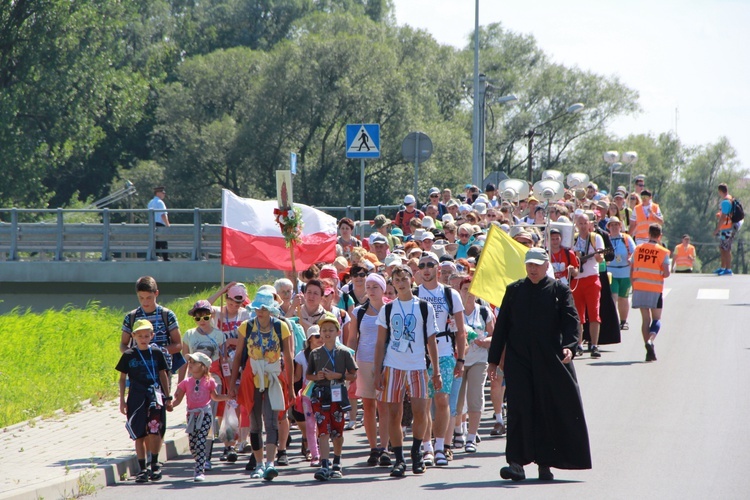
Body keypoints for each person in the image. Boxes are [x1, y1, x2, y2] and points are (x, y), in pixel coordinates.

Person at [488, 247, 591, 481]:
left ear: (547, 266)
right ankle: (516, 463)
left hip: (550, 361)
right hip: (519, 361)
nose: (533, 269)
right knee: (519, 410)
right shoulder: (514, 291)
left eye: (537, 265)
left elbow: (571, 321)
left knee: (548, 409)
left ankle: (546, 463)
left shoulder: (559, 290)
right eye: (529, 265)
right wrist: (493, 361)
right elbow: (502, 327)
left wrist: (570, 346)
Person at [373, 265, 441, 478]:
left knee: (421, 412)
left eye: (404, 278)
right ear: (392, 283)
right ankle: (400, 459)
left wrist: (436, 371)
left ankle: (416, 452)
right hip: (393, 366)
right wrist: (377, 371)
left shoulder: (423, 307)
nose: (401, 282)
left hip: (418, 366)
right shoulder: (388, 309)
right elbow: (380, 342)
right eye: (397, 279)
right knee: (394, 414)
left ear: (412, 279)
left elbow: (431, 340)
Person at [119, 276, 182, 473]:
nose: (145, 302)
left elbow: (178, 344)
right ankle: (145, 460)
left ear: (156, 294)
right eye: (141, 298)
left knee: (157, 417)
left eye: (148, 297)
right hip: (137, 374)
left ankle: (155, 458)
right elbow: (123, 343)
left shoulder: (166, 315)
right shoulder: (131, 317)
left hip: (160, 373)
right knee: (139, 418)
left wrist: (157, 352)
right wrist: (134, 354)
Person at [229, 290, 294, 481]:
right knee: (255, 423)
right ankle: (258, 464)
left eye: (264, 309)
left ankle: (271, 463)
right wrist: (233, 384)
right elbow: (238, 357)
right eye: (257, 308)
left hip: (274, 376)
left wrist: (290, 387)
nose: (260, 312)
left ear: (271, 310)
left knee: (272, 421)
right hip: (252, 377)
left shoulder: (281, 327)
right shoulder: (245, 327)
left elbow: (288, 358)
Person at [415, 251, 466, 467]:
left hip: (445, 351)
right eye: (422, 265)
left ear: (437, 268)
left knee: (442, 399)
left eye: (429, 265)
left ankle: (440, 447)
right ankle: (426, 448)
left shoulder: (450, 294)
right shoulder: (414, 293)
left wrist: (461, 359)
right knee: (423, 403)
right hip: (419, 354)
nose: (426, 269)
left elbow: (461, 330)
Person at [116, 319, 172, 483]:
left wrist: (167, 397)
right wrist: (122, 400)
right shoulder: (128, 355)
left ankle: (154, 464)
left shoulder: (156, 353)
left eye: (147, 335)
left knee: (154, 430)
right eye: (139, 335)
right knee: (139, 434)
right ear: (133, 336)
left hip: (154, 397)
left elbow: (163, 375)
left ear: (152, 336)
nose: (143, 338)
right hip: (136, 398)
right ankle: (142, 468)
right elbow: (122, 378)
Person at [179, 299, 233, 464]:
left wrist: (230, 384)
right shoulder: (189, 335)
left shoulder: (219, 335)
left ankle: (207, 455)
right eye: (198, 317)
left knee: (209, 416)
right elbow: (184, 361)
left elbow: (224, 361)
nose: (202, 320)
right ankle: (199, 450)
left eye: (206, 316)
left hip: (213, 378)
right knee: (196, 416)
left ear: (212, 316)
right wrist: (180, 385)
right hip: (194, 381)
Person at [307, 313, 358, 481]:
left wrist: (337, 375)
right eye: (324, 330)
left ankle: (337, 461)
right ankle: (324, 464)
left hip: (338, 394)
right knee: (323, 431)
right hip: (320, 395)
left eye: (330, 329)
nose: (327, 333)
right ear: (320, 332)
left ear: (338, 332)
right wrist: (318, 377)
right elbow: (308, 375)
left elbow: (353, 375)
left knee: (338, 430)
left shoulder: (344, 352)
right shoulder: (315, 353)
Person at [350, 273, 392, 466]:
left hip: (386, 362)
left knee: (384, 406)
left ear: (383, 289)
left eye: (376, 286)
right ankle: (373, 448)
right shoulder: (358, 312)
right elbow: (352, 338)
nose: (371, 290)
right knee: (368, 406)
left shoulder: (391, 309)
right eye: (369, 286)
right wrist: (351, 361)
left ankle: (385, 447)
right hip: (363, 362)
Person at [172, 352, 230, 482]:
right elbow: (178, 400)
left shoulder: (209, 382)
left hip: (205, 415)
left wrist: (227, 397)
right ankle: (200, 460)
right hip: (191, 416)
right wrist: (170, 405)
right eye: (190, 362)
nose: (190, 365)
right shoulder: (186, 382)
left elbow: (215, 397)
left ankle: (199, 470)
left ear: (203, 367)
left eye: (194, 363)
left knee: (201, 441)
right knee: (193, 444)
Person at [455, 276, 494, 453]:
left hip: (479, 360)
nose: (468, 293)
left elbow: (495, 336)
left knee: (475, 398)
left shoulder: (484, 312)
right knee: (457, 399)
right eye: (465, 290)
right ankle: (458, 431)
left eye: (472, 290)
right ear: (460, 292)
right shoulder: (456, 312)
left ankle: (472, 436)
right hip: (459, 361)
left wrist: (483, 340)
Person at [630, 224, 671, 361]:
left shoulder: (638, 249)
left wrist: (634, 285)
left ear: (648, 234)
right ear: (660, 236)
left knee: (645, 320)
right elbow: (666, 273)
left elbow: (632, 268)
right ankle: (651, 340)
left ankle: (648, 349)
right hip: (655, 289)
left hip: (639, 287)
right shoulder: (663, 251)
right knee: (657, 319)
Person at [571, 213, 605, 358]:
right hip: (577, 280)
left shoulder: (595, 238)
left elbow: (600, 258)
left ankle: (594, 345)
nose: (583, 226)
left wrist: (599, 256)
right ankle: (578, 344)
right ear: (576, 225)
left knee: (594, 313)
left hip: (591, 279)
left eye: (585, 223)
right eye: (580, 224)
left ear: (589, 224)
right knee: (578, 315)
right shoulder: (573, 239)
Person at [294, 325, 324, 466]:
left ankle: (324, 453)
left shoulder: (328, 352)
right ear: (310, 339)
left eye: (322, 336)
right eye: (317, 336)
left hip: (325, 391)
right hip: (308, 393)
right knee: (310, 425)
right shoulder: (301, 356)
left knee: (323, 424)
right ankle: (314, 454)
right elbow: (297, 378)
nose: (320, 339)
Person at [606, 217, 636, 330]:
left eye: (616, 225)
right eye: (611, 225)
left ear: (620, 226)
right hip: (611, 272)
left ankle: (623, 321)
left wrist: (631, 259)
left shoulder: (626, 238)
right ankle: (612, 321)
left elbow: (634, 252)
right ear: (608, 227)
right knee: (613, 297)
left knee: (623, 298)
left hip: (625, 272)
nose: (614, 227)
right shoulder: (606, 239)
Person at [713, 183, 742, 275]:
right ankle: (723, 267)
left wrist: (717, 229)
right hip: (726, 227)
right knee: (722, 247)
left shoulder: (725, 201)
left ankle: (728, 269)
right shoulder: (730, 198)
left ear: (720, 191)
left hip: (727, 228)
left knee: (726, 249)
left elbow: (724, 217)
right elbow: (724, 214)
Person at [148, 186, 170, 261]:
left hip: (152, 224)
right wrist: (167, 225)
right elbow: (163, 215)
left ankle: (155, 256)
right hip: (160, 224)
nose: (164, 194)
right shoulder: (160, 202)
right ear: (158, 193)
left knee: (155, 241)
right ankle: (165, 257)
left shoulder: (150, 202)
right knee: (163, 241)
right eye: (162, 193)